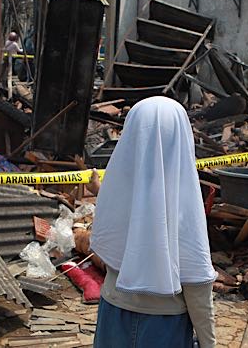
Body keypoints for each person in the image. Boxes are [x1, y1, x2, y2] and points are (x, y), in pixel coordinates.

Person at [91, 97, 216, 348]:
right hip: (165, 326)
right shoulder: (184, 200)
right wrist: (208, 342)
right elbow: (197, 284)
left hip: (114, 315)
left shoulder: (116, 191)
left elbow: (106, 249)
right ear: (182, 136)